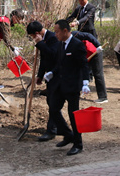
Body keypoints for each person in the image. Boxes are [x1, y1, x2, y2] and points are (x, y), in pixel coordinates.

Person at [48, 19, 90, 156]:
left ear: (65, 31)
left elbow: (84, 64)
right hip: (60, 84)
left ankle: (78, 144)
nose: (55, 34)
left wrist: (85, 82)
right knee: (53, 109)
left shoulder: (77, 45)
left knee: (73, 115)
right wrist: (52, 72)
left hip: (72, 85)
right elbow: (60, 63)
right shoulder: (61, 44)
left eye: (57, 32)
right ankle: (68, 135)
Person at [26, 20, 60, 142]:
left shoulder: (53, 38)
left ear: (37, 33)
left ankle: (51, 130)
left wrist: (40, 43)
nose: (33, 38)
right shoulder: (43, 40)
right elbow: (44, 59)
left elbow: (52, 55)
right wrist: (40, 75)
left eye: (32, 36)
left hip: (58, 75)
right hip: (50, 76)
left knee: (53, 102)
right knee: (52, 102)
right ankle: (58, 126)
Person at [72, 30, 107, 103]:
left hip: (95, 52)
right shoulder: (63, 42)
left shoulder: (74, 34)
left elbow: (88, 35)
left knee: (98, 74)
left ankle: (103, 97)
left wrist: (98, 45)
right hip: (86, 55)